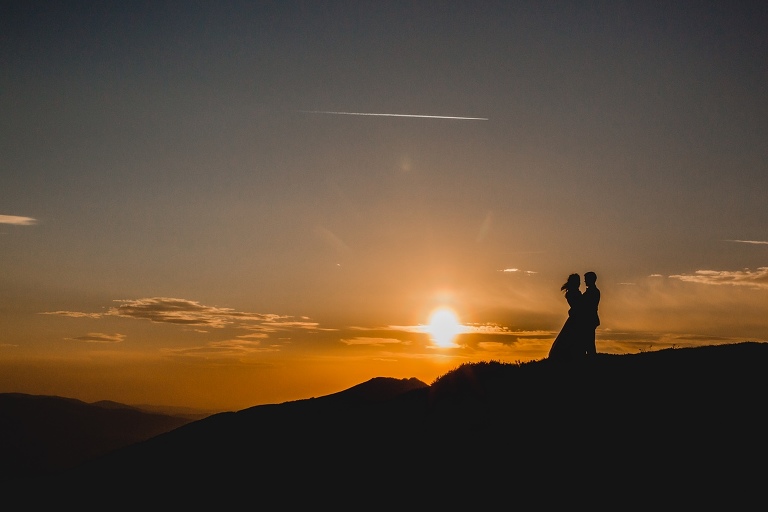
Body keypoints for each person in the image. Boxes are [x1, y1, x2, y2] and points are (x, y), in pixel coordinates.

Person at [547, 273, 584, 361]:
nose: (579, 283)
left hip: (575, 316)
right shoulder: (572, 293)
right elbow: (578, 305)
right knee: (573, 336)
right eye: (578, 281)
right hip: (576, 318)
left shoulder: (572, 292)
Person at [582, 271, 600, 355]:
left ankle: (591, 357)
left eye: (586, 279)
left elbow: (587, 306)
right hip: (590, 318)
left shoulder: (593, 292)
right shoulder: (594, 291)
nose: (585, 281)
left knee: (588, 339)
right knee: (588, 339)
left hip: (589, 318)